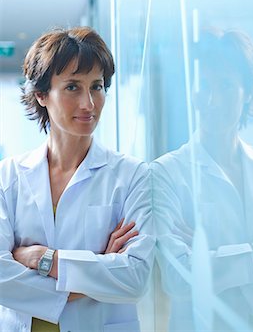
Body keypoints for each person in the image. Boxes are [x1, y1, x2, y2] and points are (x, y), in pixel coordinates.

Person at [0, 26, 154, 332]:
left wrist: (45, 260)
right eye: (73, 87)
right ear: (42, 94)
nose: (89, 104)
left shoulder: (133, 175)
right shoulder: (8, 177)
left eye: (96, 86)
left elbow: (135, 278)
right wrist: (96, 271)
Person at [152, 29, 253, 331]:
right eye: (204, 85)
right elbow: (179, 278)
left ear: (248, 94)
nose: (212, 99)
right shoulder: (165, 173)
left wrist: (217, 265)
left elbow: (200, 273)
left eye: (227, 86)